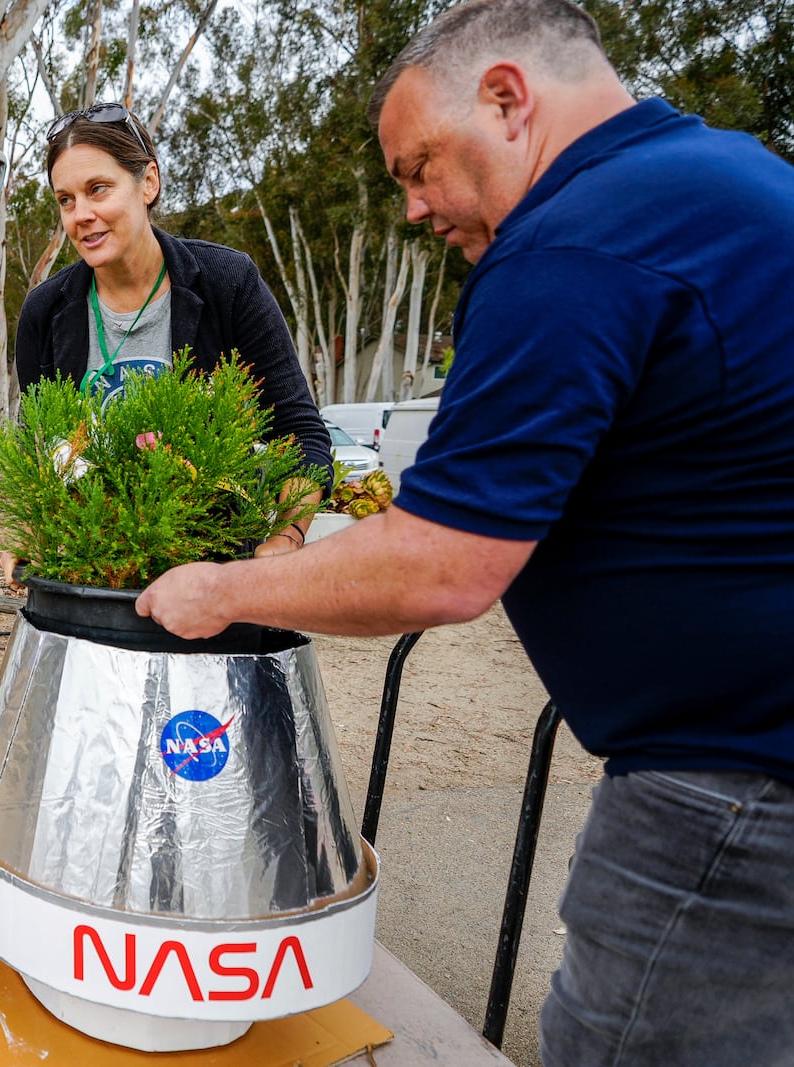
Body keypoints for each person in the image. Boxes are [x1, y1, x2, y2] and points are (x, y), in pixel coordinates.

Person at [136, 1, 794, 1063]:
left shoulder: (577, 238)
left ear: (505, 97)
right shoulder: (730, 181)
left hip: (734, 785)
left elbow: (442, 563)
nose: (410, 206)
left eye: (419, 165)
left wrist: (217, 587)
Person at [13, 101, 331, 559]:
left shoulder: (228, 283)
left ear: (149, 182)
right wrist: (32, 534)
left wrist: (286, 537)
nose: (79, 214)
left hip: (214, 568)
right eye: (66, 199)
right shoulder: (46, 309)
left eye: (98, 189)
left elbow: (300, 433)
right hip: (92, 566)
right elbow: (37, 445)